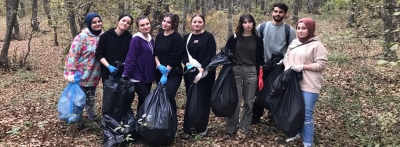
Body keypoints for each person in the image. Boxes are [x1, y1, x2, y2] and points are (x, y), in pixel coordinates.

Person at [283, 18, 328, 147]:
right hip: (294, 83)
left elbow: (321, 65)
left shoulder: (316, 45)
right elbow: (287, 57)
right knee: (297, 111)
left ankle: (308, 143)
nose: (300, 31)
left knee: (307, 114)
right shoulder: (294, 42)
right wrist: (287, 66)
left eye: (304, 28)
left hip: (310, 84)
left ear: (310, 29)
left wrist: (302, 66)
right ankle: (299, 135)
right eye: (298, 28)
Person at [252, 2, 297, 125]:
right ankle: (255, 116)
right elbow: (254, 45)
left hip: (280, 67)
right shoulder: (261, 27)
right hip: (263, 66)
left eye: (281, 12)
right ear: (272, 12)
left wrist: (286, 62)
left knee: (276, 92)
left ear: (285, 14)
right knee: (258, 91)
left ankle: (273, 115)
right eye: (276, 11)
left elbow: (293, 49)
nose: (278, 14)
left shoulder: (289, 31)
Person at [224, 14, 265, 139]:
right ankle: (231, 128)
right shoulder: (235, 38)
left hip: (251, 70)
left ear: (253, 23)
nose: (247, 24)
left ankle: (244, 128)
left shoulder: (257, 40)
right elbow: (227, 53)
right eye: (245, 22)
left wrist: (260, 74)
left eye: (250, 22)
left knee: (248, 101)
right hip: (236, 69)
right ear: (241, 24)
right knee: (235, 101)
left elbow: (260, 58)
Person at [64, 12, 103, 121]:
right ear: (89, 23)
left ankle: (91, 119)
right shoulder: (82, 37)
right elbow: (73, 54)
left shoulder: (103, 37)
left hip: (94, 75)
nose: (97, 24)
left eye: (99, 21)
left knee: (90, 98)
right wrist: (70, 72)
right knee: (78, 99)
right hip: (80, 75)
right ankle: (75, 120)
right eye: (94, 22)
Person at [182, 14, 216, 136]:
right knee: (191, 98)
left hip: (206, 74)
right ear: (191, 24)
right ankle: (190, 126)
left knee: (204, 99)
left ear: (203, 23)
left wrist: (201, 71)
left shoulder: (209, 37)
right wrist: (187, 65)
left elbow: (210, 54)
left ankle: (202, 127)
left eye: (200, 22)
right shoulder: (186, 37)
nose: (197, 24)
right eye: (195, 22)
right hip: (190, 73)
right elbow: (183, 54)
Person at [122, 16, 155, 113]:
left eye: (147, 24)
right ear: (138, 27)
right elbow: (130, 57)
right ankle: (140, 122)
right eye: (142, 25)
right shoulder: (136, 39)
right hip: (136, 76)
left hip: (147, 76)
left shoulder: (151, 39)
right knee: (147, 97)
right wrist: (126, 74)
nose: (145, 26)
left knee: (143, 101)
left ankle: (141, 124)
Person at [154, 13, 183, 112]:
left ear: (173, 24)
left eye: (168, 22)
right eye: (164, 21)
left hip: (173, 73)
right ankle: (161, 121)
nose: (165, 24)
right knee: (161, 95)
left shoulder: (177, 37)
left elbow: (174, 56)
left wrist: (165, 73)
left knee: (169, 95)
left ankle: (172, 120)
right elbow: (155, 53)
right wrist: (158, 65)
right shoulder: (159, 36)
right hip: (160, 71)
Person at [96, 14, 133, 81]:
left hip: (124, 73)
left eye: (128, 23)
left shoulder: (130, 38)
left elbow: (132, 54)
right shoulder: (106, 36)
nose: (125, 23)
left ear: (129, 26)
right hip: (108, 73)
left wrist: (127, 63)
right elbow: (99, 54)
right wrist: (108, 66)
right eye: (123, 21)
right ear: (118, 21)